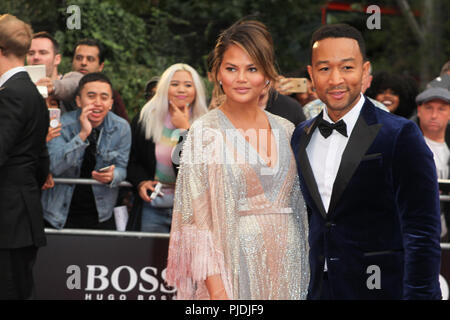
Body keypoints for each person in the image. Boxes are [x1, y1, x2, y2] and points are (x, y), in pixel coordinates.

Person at [291, 23, 441, 300]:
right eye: (324, 69)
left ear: (365, 71)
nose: (336, 79)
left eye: (347, 67)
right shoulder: (302, 136)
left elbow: (422, 232)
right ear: (312, 75)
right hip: (321, 291)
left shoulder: (399, 134)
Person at [166, 20, 310, 300]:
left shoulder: (287, 129)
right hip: (233, 272)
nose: (241, 78)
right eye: (231, 68)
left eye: (252, 69)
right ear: (218, 73)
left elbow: (302, 208)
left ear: (267, 75)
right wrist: (219, 295)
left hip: (291, 269)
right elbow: (196, 225)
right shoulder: (204, 132)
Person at [41, 73, 131, 230]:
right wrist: (82, 135)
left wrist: (113, 175)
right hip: (59, 212)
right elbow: (53, 167)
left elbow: (122, 167)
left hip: (101, 212)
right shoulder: (61, 125)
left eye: (104, 97)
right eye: (91, 96)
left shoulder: (121, 127)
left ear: (110, 103)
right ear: (78, 101)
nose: (97, 103)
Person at [0, 14, 49, 299]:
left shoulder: (12, 94)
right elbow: (41, 160)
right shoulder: (30, 91)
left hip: (8, 222)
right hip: (19, 217)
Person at [126, 63, 208, 233]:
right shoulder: (146, 118)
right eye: (175, 84)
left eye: (188, 85)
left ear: (196, 90)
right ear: (164, 87)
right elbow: (133, 160)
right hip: (153, 206)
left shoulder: (207, 123)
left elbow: (194, 171)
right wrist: (141, 181)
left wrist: (185, 131)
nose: (181, 90)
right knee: (148, 259)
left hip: (189, 212)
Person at [413, 85, 450, 241]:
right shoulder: (403, 144)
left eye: (441, 109)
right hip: (413, 234)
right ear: (419, 110)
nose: (434, 115)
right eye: (429, 108)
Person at [303, 64, 388, 120]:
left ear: (369, 81)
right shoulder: (310, 109)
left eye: (361, 76)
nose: (356, 81)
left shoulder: (381, 110)